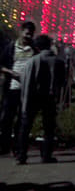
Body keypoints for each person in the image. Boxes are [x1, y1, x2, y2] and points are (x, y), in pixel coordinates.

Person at [16, 34, 66, 164]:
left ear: (37, 47)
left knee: (26, 127)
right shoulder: (58, 62)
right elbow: (62, 83)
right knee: (49, 128)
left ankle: (22, 155)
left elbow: (25, 81)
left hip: (32, 96)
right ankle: (46, 155)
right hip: (49, 98)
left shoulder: (32, 61)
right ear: (49, 45)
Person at [1, 21, 36, 156]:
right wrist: (11, 73)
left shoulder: (34, 49)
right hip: (11, 88)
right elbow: (1, 65)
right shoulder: (10, 48)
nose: (28, 37)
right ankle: (4, 146)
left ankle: (17, 147)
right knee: (6, 119)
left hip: (27, 90)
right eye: (27, 34)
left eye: (31, 35)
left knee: (22, 120)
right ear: (21, 32)